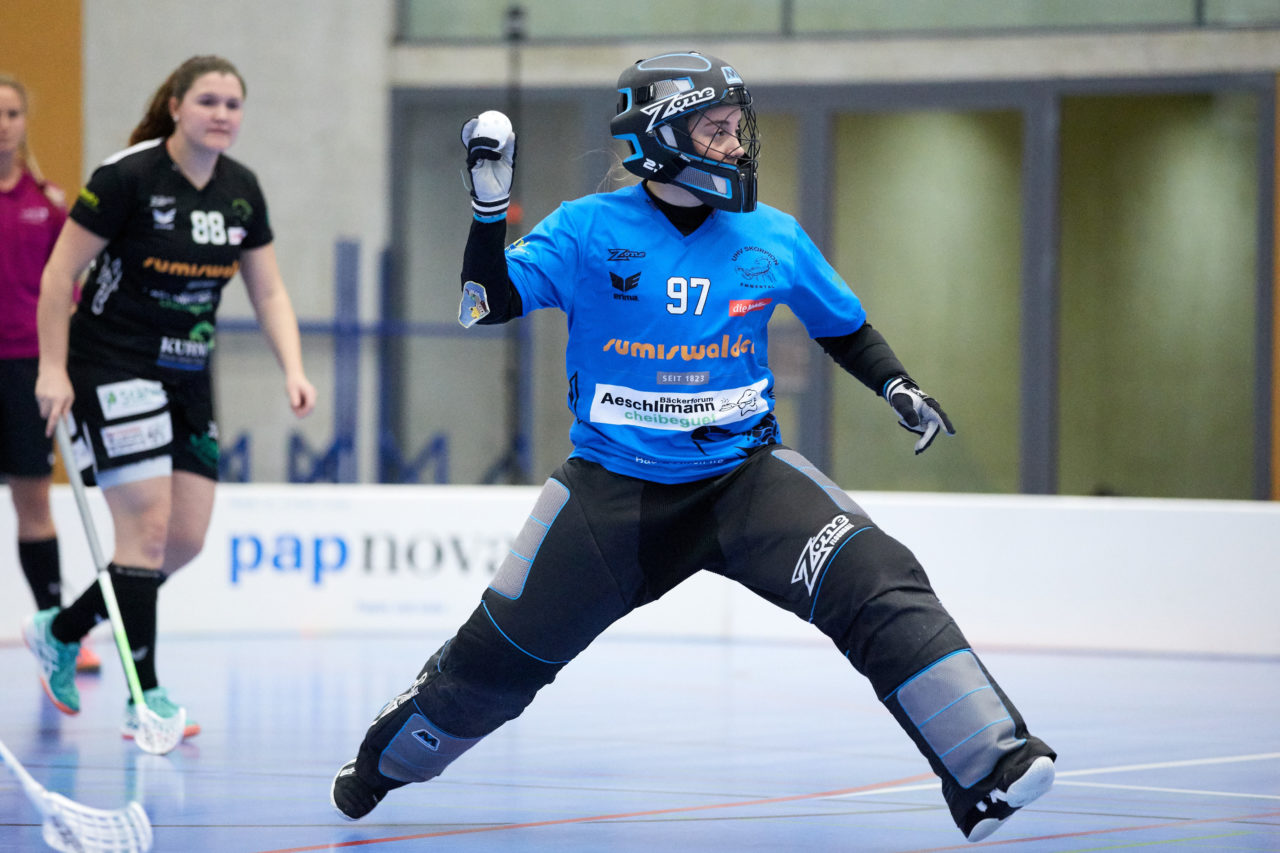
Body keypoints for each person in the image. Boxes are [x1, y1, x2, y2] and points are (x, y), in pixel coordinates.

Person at [331, 51, 1055, 842]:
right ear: (662, 136)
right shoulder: (586, 228)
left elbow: (843, 326)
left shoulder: (773, 234)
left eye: (737, 128)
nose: (737, 145)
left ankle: (991, 767)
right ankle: (385, 763)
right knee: (494, 668)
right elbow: (488, 302)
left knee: (878, 575)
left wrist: (897, 385)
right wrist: (487, 208)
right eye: (715, 129)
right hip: (612, 496)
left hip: (747, 479)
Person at [26, 55, 316, 740]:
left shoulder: (242, 191)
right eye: (209, 100)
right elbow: (59, 273)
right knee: (144, 532)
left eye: (233, 104)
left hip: (188, 372)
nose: (222, 114)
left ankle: (63, 628)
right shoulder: (127, 177)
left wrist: (294, 368)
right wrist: (52, 368)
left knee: (181, 540)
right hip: (112, 362)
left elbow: (267, 290)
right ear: (177, 106)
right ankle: (145, 697)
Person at [0, 74, 100, 674]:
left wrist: (59, 366)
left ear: (23, 121)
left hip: (23, 369)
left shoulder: (50, 202)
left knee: (33, 504)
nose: (2, 123)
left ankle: (57, 632)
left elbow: (69, 291)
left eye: (11, 112)